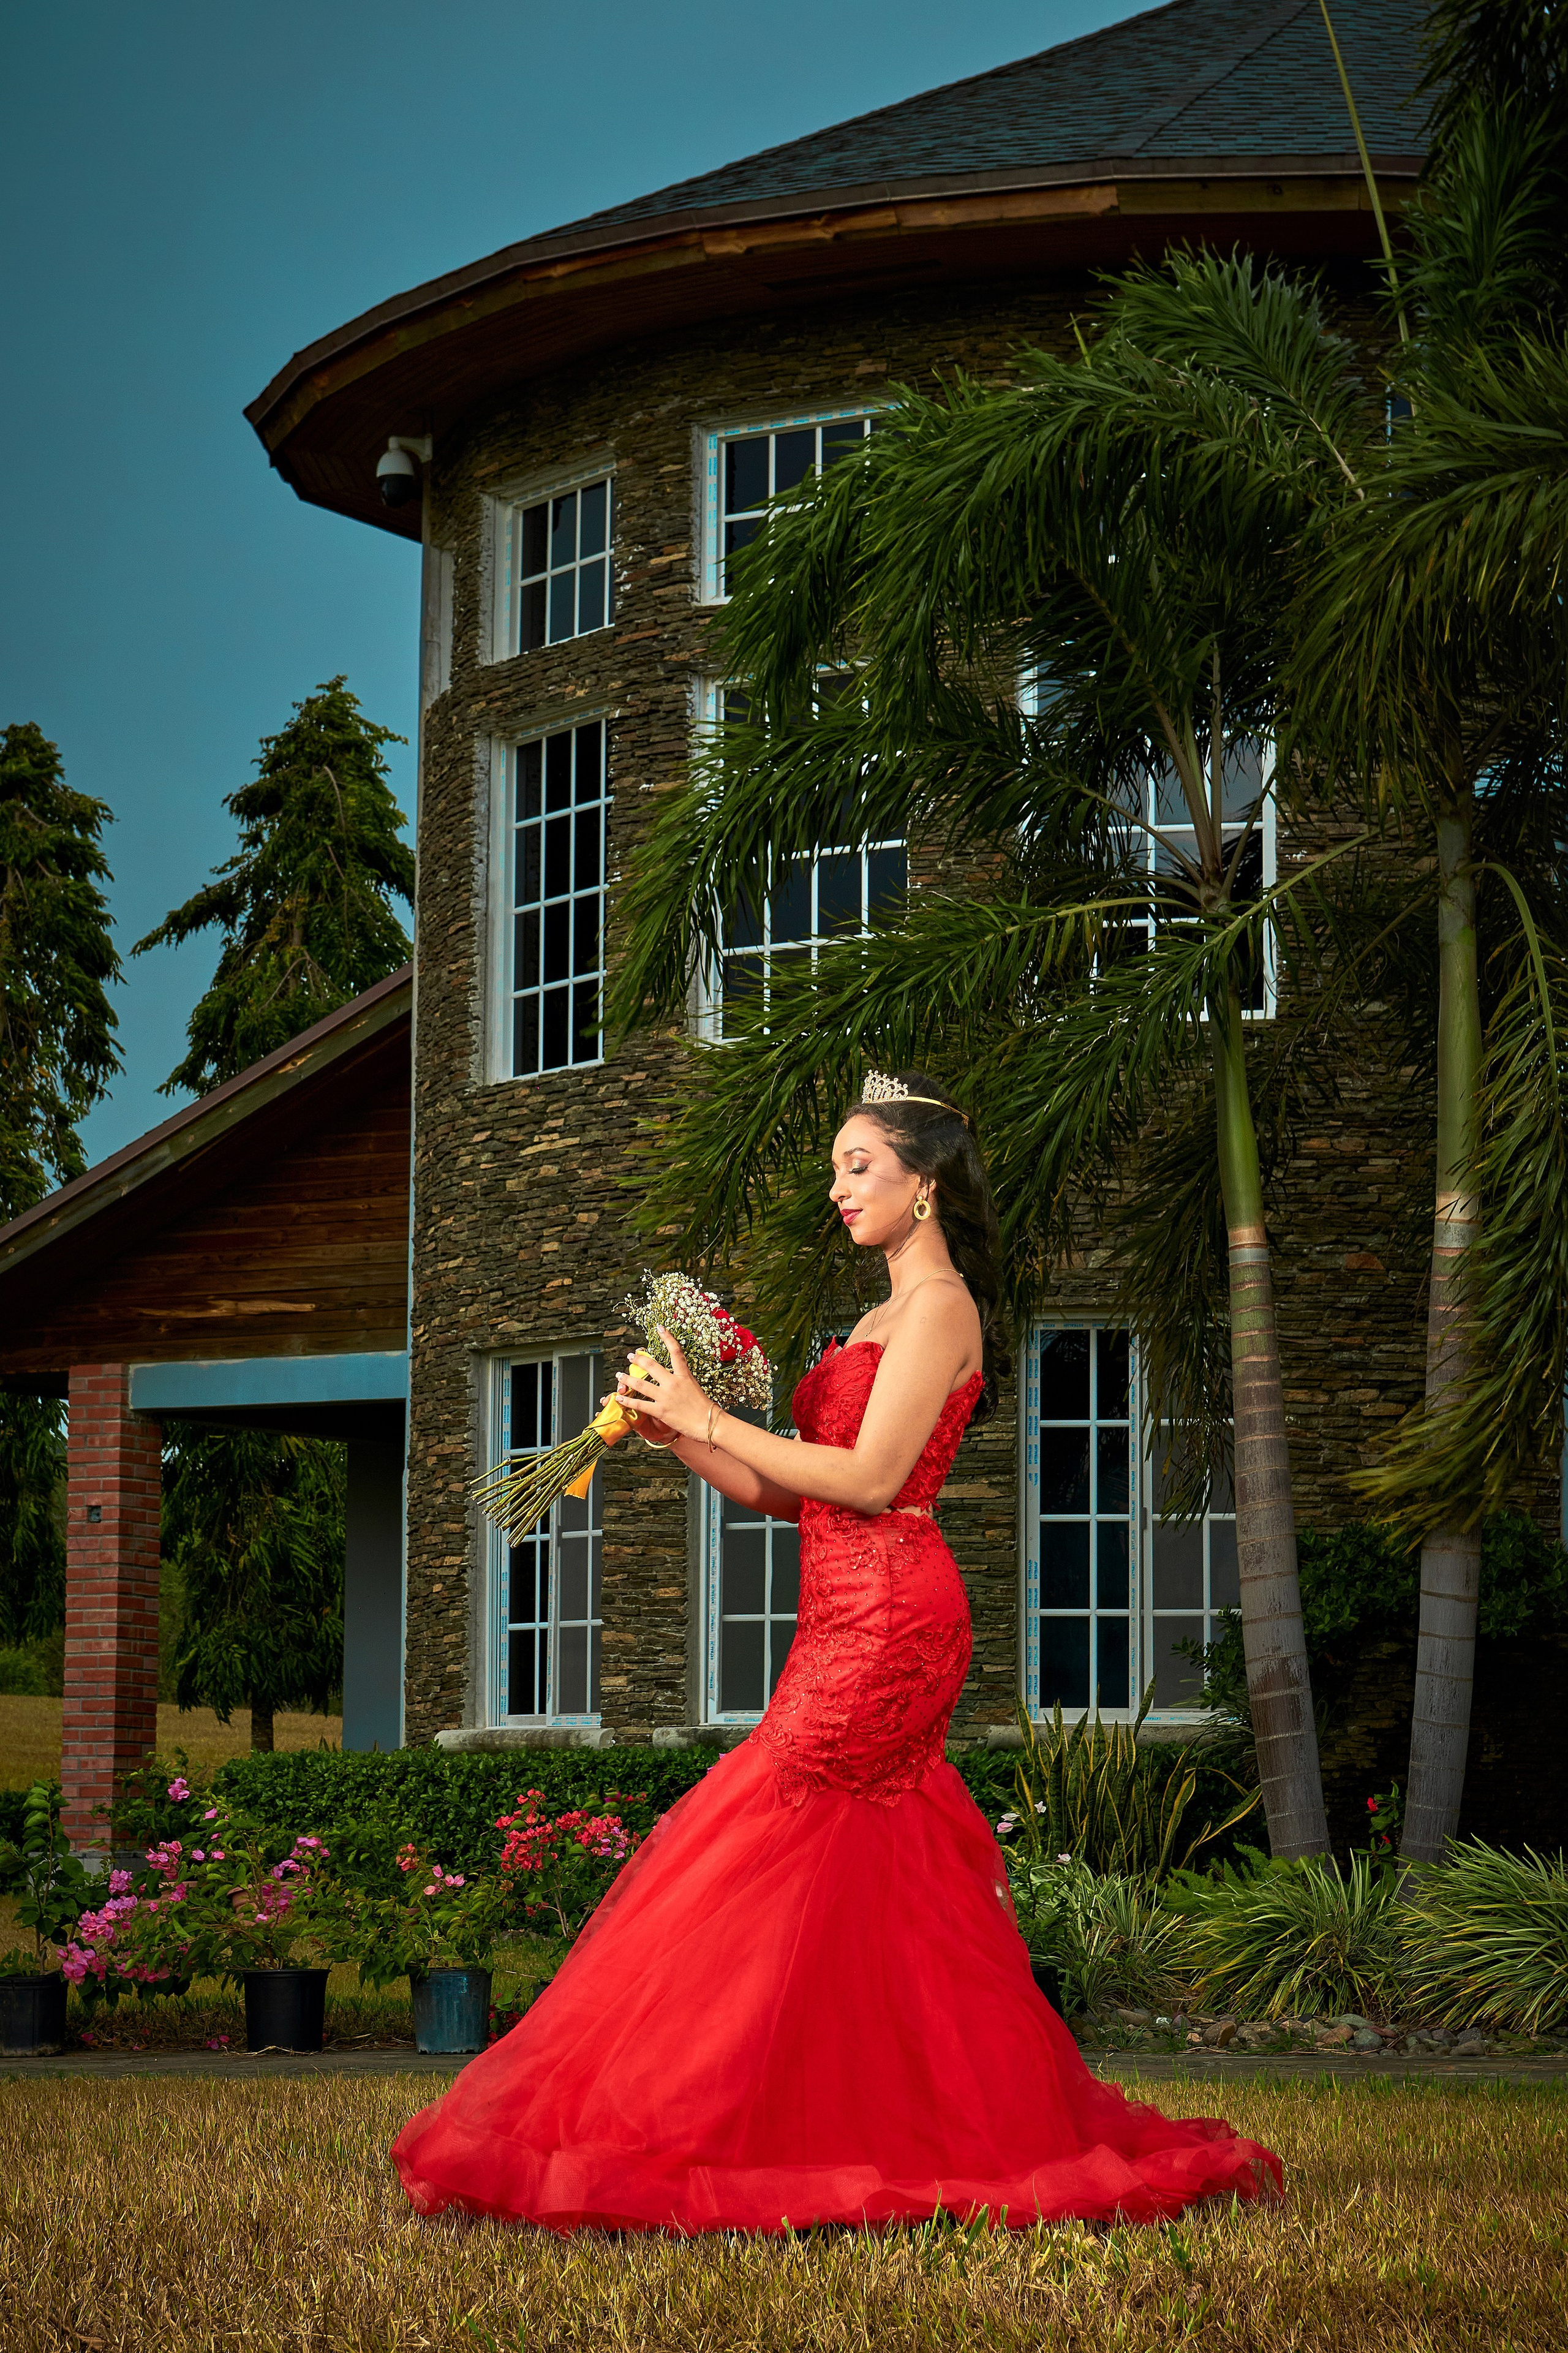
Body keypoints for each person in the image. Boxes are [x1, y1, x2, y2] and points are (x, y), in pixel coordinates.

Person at [391, 1070, 1281, 2231]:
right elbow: (786, 1492)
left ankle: (706, 2127)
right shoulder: (870, 1320)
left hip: (894, 1619)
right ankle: (848, 2124)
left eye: (858, 1165)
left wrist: (713, 1413)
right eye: (834, 1168)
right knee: (846, 1869)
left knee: (758, 1835)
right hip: (840, 1612)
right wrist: (678, 1434)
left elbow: (866, 1481)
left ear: (923, 1185)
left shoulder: (940, 1311)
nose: (838, 1187)